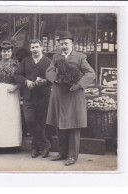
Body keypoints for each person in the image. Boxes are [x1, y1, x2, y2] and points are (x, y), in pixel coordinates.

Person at [46, 31, 95, 166]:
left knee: (73, 125)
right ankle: (62, 153)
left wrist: (79, 85)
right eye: (61, 44)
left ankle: (72, 156)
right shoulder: (56, 57)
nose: (64, 46)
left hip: (73, 95)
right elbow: (49, 71)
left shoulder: (80, 57)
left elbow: (91, 73)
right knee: (60, 124)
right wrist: (56, 80)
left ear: (72, 44)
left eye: (66, 43)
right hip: (59, 95)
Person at [14, 39, 51, 158]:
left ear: (42, 48)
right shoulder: (26, 61)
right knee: (29, 120)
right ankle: (45, 144)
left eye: (37, 47)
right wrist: (26, 81)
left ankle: (35, 147)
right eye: (33, 47)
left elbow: (53, 78)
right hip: (28, 96)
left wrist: (45, 81)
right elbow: (17, 75)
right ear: (30, 49)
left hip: (43, 96)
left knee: (41, 122)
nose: (35, 49)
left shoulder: (48, 62)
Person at [0, 41, 22, 149]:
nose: (6, 53)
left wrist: (15, 87)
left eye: (8, 51)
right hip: (0, 92)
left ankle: (13, 144)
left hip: (12, 92)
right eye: (4, 51)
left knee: (11, 116)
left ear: (11, 52)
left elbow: (22, 80)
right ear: (1, 53)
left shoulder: (17, 65)